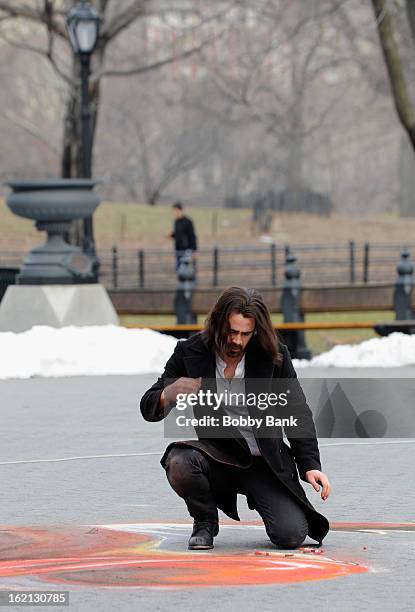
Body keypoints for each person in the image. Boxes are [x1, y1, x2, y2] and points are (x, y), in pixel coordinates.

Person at [140, 286, 330, 551]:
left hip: (265, 462)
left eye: (245, 334)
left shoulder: (274, 356)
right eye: (231, 331)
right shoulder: (191, 352)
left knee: (290, 536)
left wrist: (310, 464)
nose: (237, 341)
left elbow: (296, 411)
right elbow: (148, 406)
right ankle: (205, 522)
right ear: (218, 324)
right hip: (218, 457)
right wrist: (168, 393)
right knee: (179, 461)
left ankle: (264, 497)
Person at [168, 202, 197, 269]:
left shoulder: (188, 221)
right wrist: (171, 235)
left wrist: (194, 250)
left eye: (175, 211)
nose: (174, 213)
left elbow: (192, 236)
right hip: (178, 249)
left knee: (186, 270)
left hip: (187, 250)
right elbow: (178, 233)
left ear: (180, 210)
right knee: (179, 269)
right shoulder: (176, 221)